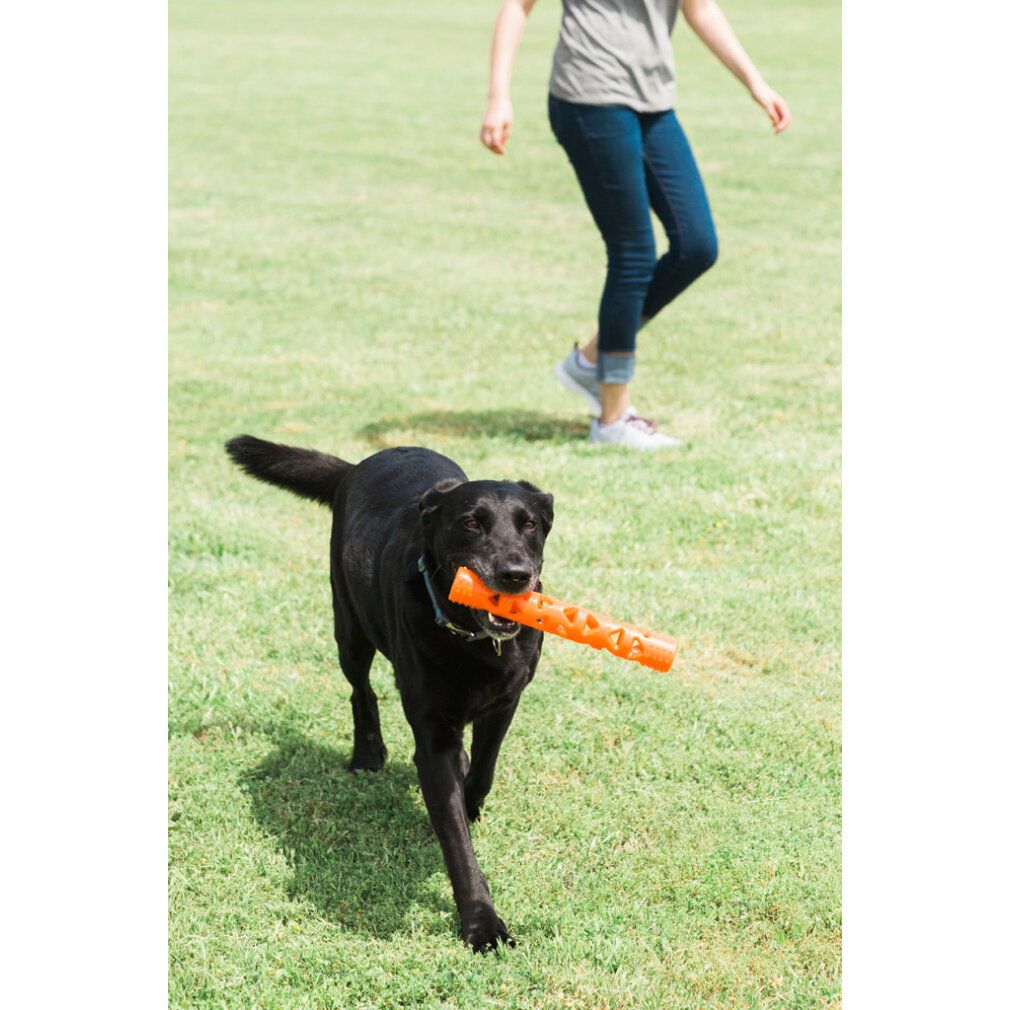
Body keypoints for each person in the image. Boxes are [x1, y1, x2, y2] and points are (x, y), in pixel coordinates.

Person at [481, 0, 791, 449]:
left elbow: (699, 8)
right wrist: (498, 96)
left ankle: (591, 360)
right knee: (633, 253)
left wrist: (755, 83)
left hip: (653, 99)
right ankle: (611, 420)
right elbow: (516, 6)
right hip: (590, 95)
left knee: (696, 245)